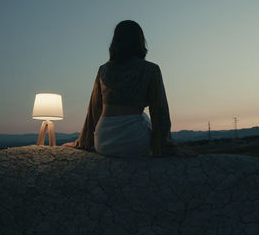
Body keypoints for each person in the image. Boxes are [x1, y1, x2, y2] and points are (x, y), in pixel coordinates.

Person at [63, 20, 197, 158]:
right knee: (143, 118)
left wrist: (84, 141)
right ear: (140, 41)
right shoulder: (150, 69)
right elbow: (159, 110)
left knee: (142, 117)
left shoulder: (103, 70)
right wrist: (166, 146)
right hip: (133, 141)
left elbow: (94, 108)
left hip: (103, 142)